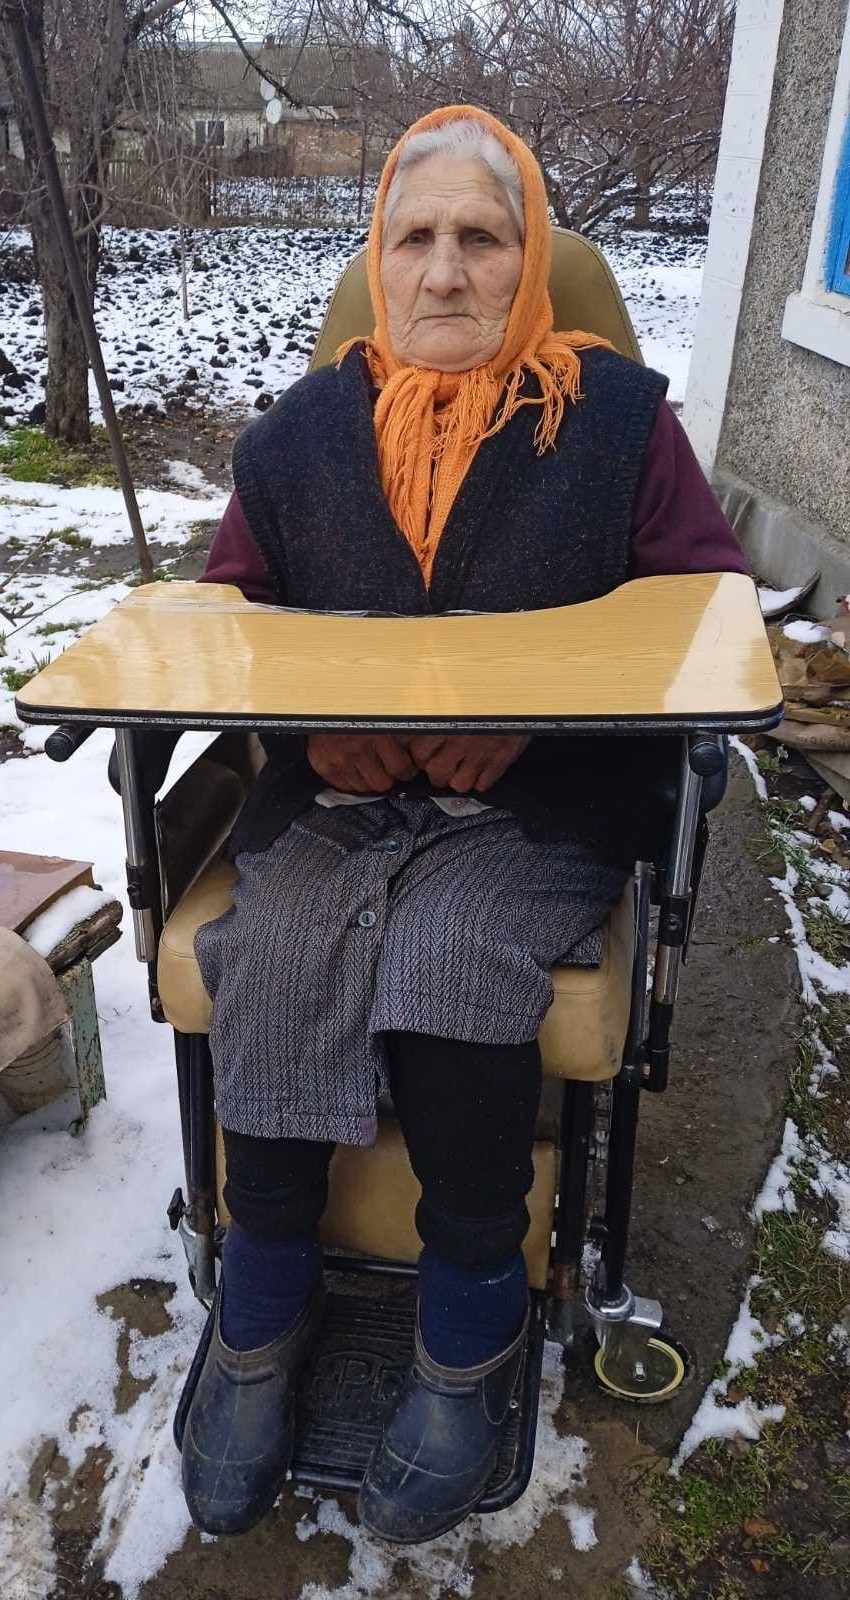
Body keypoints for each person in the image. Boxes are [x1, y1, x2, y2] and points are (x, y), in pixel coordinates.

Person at [180, 105, 749, 1545]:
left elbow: (706, 627)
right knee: (288, 936)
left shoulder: (620, 425)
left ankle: (471, 1322)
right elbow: (223, 625)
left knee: (448, 959)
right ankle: (262, 1307)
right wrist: (313, 728)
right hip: (346, 799)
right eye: (415, 238)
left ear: (531, 256)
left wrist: (542, 721)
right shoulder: (301, 436)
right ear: (378, 260)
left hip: (541, 810)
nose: (444, 273)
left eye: (481, 240)